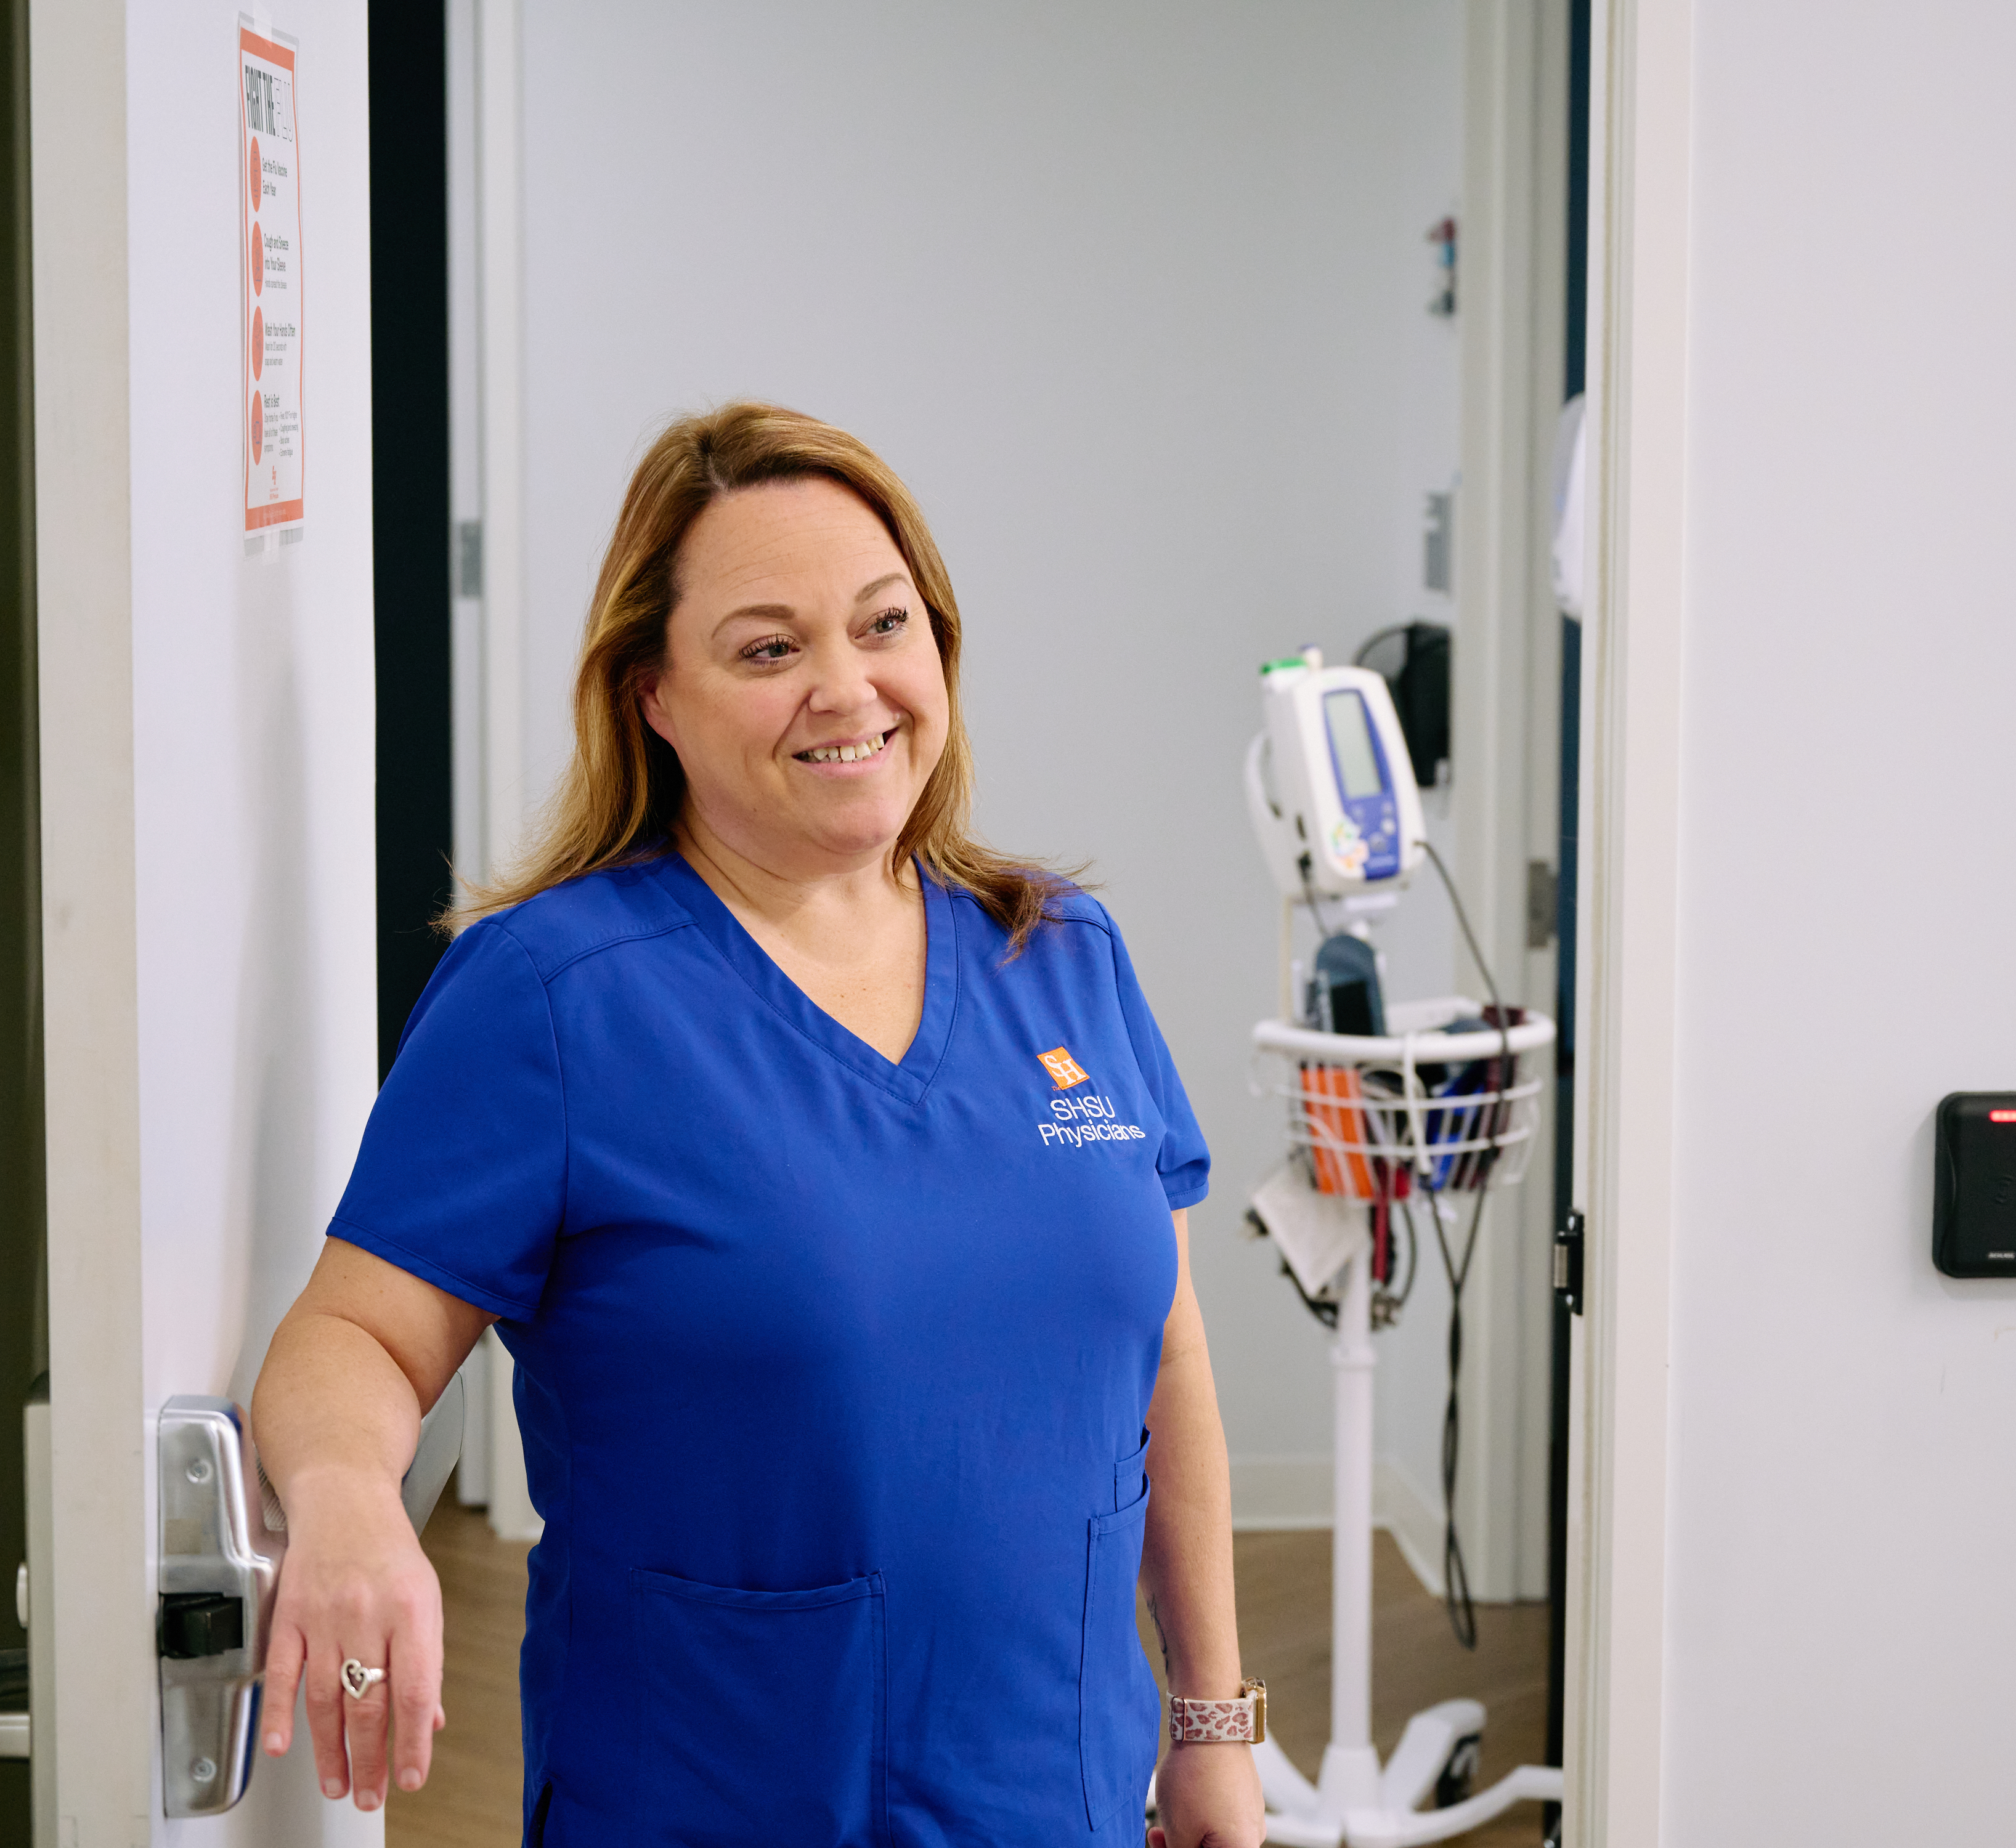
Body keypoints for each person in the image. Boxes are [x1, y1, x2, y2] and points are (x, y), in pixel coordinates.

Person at [250, 402, 1266, 1847]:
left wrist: (1211, 1719)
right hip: (717, 1802)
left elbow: (1166, 1357)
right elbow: (349, 1335)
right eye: (769, 649)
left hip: (1062, 1799)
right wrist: (349, 1496)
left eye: (883, 625)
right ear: (654, 694)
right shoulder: (554, 997)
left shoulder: (1063, 954)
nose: (847, 689)